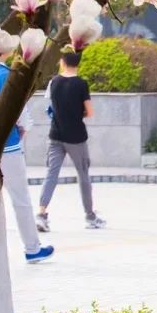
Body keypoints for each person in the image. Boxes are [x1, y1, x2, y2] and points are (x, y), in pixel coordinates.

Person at [0, 63, 55, 263]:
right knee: (21, 200)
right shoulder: (7, 76)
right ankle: (32, 248)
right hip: (8, 146)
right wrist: (23, 130)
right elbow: (20, 114)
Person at [37, 51, 106, 232]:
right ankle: (90, 216)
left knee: (51, 174)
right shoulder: (81, 84)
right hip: (76, 137)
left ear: (62, 62)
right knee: (83, 175)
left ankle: (42, 214)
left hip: (56, 135)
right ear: (78, 64)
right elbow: (89, 112)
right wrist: (78, 113)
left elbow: (51, 108)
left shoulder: (54, 82)